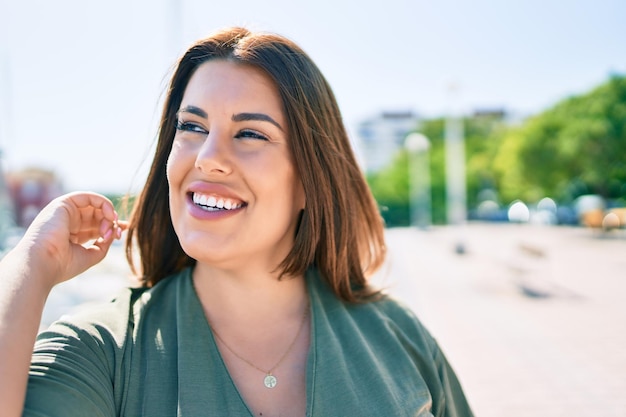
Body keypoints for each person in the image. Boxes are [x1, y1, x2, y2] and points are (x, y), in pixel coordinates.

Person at [0, 27, 473, 417]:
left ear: (311, 178)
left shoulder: (398, 337)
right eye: (192, 127)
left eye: (249, 133)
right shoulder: (99, 352)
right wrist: (31, 264)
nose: (208, 158)